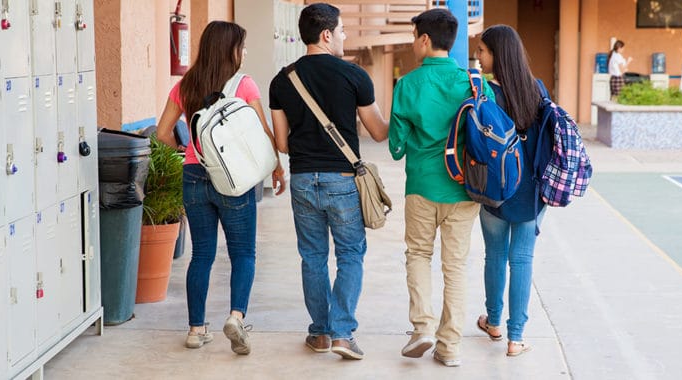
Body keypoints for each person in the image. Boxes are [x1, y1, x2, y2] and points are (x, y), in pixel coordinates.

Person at [155, 20, 286, 355]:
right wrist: (276, 168)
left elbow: (163, 133)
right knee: (243, 253)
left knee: (201, 254)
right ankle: (235, 317)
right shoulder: (244, 84)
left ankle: (196, 330)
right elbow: (262, 134)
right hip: (234, 179)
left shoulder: (186, 84)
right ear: (232, 50)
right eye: (242, 46)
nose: (244, 52)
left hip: (195, 176)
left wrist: (189, 151)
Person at [268, 3, 389, 360]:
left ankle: (320, 333)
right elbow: (379, 132)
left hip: (303, 179)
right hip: (342, 178)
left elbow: (282, 144)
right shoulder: (354, 77)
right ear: (326, 35)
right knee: (351, 253)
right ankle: (342, 333)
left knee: (313, 256)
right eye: (341, 31)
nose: (344, 35)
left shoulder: (281, 80)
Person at [388, 8, 488, 367]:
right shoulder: (475, 83)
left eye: (414, 37)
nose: (413, 44)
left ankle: (423, 328)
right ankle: (450, 347)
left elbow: (396, 147)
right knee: (456, 267)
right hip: (465, 190)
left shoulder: (407, 84)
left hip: (421, 186)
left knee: (418, 255)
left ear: (425, 40)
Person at [473, 24, 552, 357]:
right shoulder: (537, 88)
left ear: (497, 54)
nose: (478, 56)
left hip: (495, 190)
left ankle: (492, 321)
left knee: (495, 255)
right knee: (522, 260)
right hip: (531, 191)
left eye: (482, 51)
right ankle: (515, 338)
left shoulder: (483, 93)